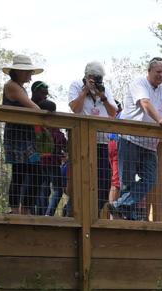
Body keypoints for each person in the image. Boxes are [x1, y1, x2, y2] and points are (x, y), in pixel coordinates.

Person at [109, 57, 162, 220]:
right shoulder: (139, 83)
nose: (161, 75)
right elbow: (145, 103)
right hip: (129, 139)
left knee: (150, 179)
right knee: (127, 181)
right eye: (158, 72)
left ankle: (118, 205)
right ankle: (128, 218)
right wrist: (160, 120)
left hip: (150, 144)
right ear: (149, 71)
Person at [67, 61, 118, 216]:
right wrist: (85, 91)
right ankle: (72, 216)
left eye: (99, 78)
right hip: (82, 142)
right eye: (94, 77)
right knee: (81, 182)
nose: (97, 80)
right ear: (87, 76)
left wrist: (103, 97)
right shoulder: (76, 85)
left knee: (103, 183)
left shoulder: (105, 90)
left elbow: (113, 113)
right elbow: (75, 109)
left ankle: (92, 216)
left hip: (101, 142)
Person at [0, 55, 43, 215]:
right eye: (26, 71)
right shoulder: (11, 86)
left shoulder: (19, 86)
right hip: (17, 135)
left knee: (33, 173)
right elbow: (33, 108)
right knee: (20, 172)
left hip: (25, 134)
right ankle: (16, 209)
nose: (30, 75)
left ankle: (24, 208)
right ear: (17, 71)